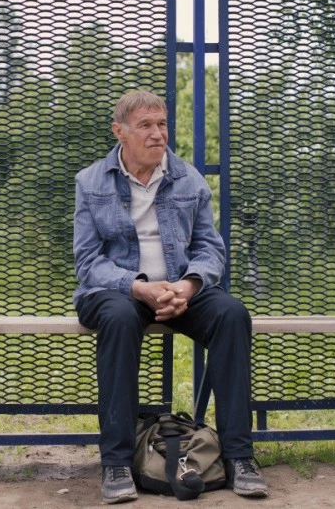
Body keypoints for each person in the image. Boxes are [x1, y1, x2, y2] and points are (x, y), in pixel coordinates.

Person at [72, 90, 268, 503]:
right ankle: (116, 462)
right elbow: (88, 261)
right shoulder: (91, 181)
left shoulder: (188, 178)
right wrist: (138, 286)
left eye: (162, 124)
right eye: (145, 125)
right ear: (119, 131)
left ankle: (239, 456)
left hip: (180, 288)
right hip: (117, 291)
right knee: (119, 319)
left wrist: (189, 285)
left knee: (232, 314)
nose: (158, 134)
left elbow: (210, 248)